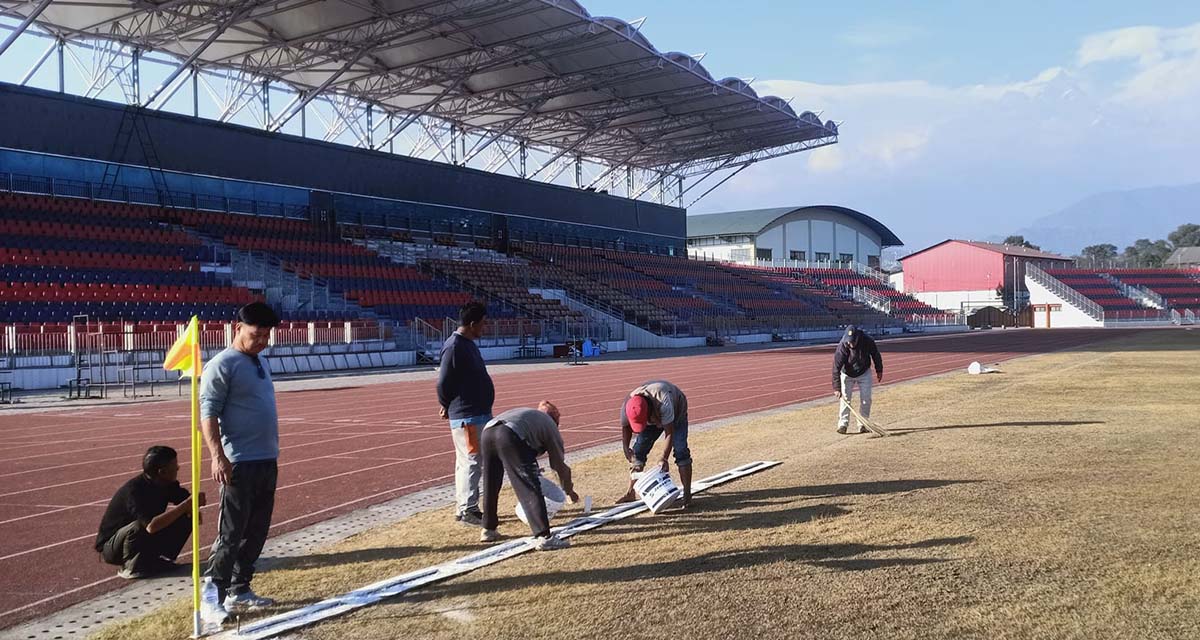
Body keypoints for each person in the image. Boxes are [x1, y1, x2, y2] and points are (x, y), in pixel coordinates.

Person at [199, 302, 281, 622]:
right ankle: (212, 595)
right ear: (238, 329)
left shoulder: (259, 362)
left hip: (266, 459)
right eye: (255, 335)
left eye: (266, 336)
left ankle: (240, 589)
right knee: (231, 533)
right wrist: (218, 457)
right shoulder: (223, 364)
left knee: (257, 530)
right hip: (239, 462)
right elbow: (208, 414)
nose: (261, 340)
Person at [478, 401, 578, 550]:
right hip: (509, 435)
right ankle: (544, 537)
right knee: (529, 485)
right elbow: (558, 465)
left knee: (491, 483)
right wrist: (568, 490)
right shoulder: (550, 426)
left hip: (488, 432)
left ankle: (488, 529)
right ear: (555, 418)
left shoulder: (530, 416)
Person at [95, 446, 203, 579]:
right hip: (113, 547)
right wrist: (187, 504)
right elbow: (151, 526)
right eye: (174, 465)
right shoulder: (134, 491)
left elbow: (186, 501)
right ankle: (131, 566)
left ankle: (155, 560)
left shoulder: (167, 484)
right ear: (162, 472)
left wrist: (194, 504)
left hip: (142, 534)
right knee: (138, 526)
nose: (178, 468)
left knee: (185, 515)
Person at [436, 301, 495, 527]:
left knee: (467, 461)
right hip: (468, 415)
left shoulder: (467, 343)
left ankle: (463, 506)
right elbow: (443, 382)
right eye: (483, 324)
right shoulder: (454, 347)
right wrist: (445, 403)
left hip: (476, 413)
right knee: (472, 461)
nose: (485, 328)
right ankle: (469, 508)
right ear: (471, 324)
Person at [617, 380, 692, 508]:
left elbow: (670, 432)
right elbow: (626, 427)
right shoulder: (628, 405)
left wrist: (664, 458)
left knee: (680, 450)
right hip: (653, 414)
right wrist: (625, 448)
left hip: (677, 410)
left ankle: (687, 494)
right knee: (638, 451)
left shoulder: (664, 400)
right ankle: (631, 493)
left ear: (649, 412)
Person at [832, 325, 884, 434]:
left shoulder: (867, 340)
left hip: (864, 372)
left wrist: (879, 370)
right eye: (849, 342)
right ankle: (843, 424)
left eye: (852, 342)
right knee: (845, 399)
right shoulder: (843, 346)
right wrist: (837, 388)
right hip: (847, 374)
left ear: (857, 338)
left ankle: (863, 424)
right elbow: (836, 368)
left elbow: (876, 355)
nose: (850, 344)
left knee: (866, 399)